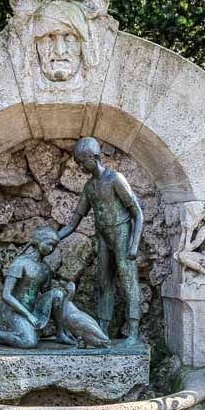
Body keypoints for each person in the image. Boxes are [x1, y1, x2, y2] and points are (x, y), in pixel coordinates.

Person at [57, 137, 144, 346]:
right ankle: (102, 329)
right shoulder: (89, 187)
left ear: (94, 157)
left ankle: (133, 332)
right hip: (103, 236)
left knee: (129, 283)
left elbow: (137, 212)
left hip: (122, 233)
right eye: (77, 162)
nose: (80, 167)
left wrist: (134, 246)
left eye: (81, 162)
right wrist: (53, 237)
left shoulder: (115, 179)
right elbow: (73, 223)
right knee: (104, 283)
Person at [0, 227, 69, 349]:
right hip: (13, 311)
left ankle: (60, 333)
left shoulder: (45, 268)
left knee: (58, 294)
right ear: (39, 241)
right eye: (49, 244)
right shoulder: (20, 263)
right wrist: (29, 316)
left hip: (32, 310)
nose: (51, 249)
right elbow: (6, 295)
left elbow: (48, 296)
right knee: (29, 342)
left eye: (54, 246)